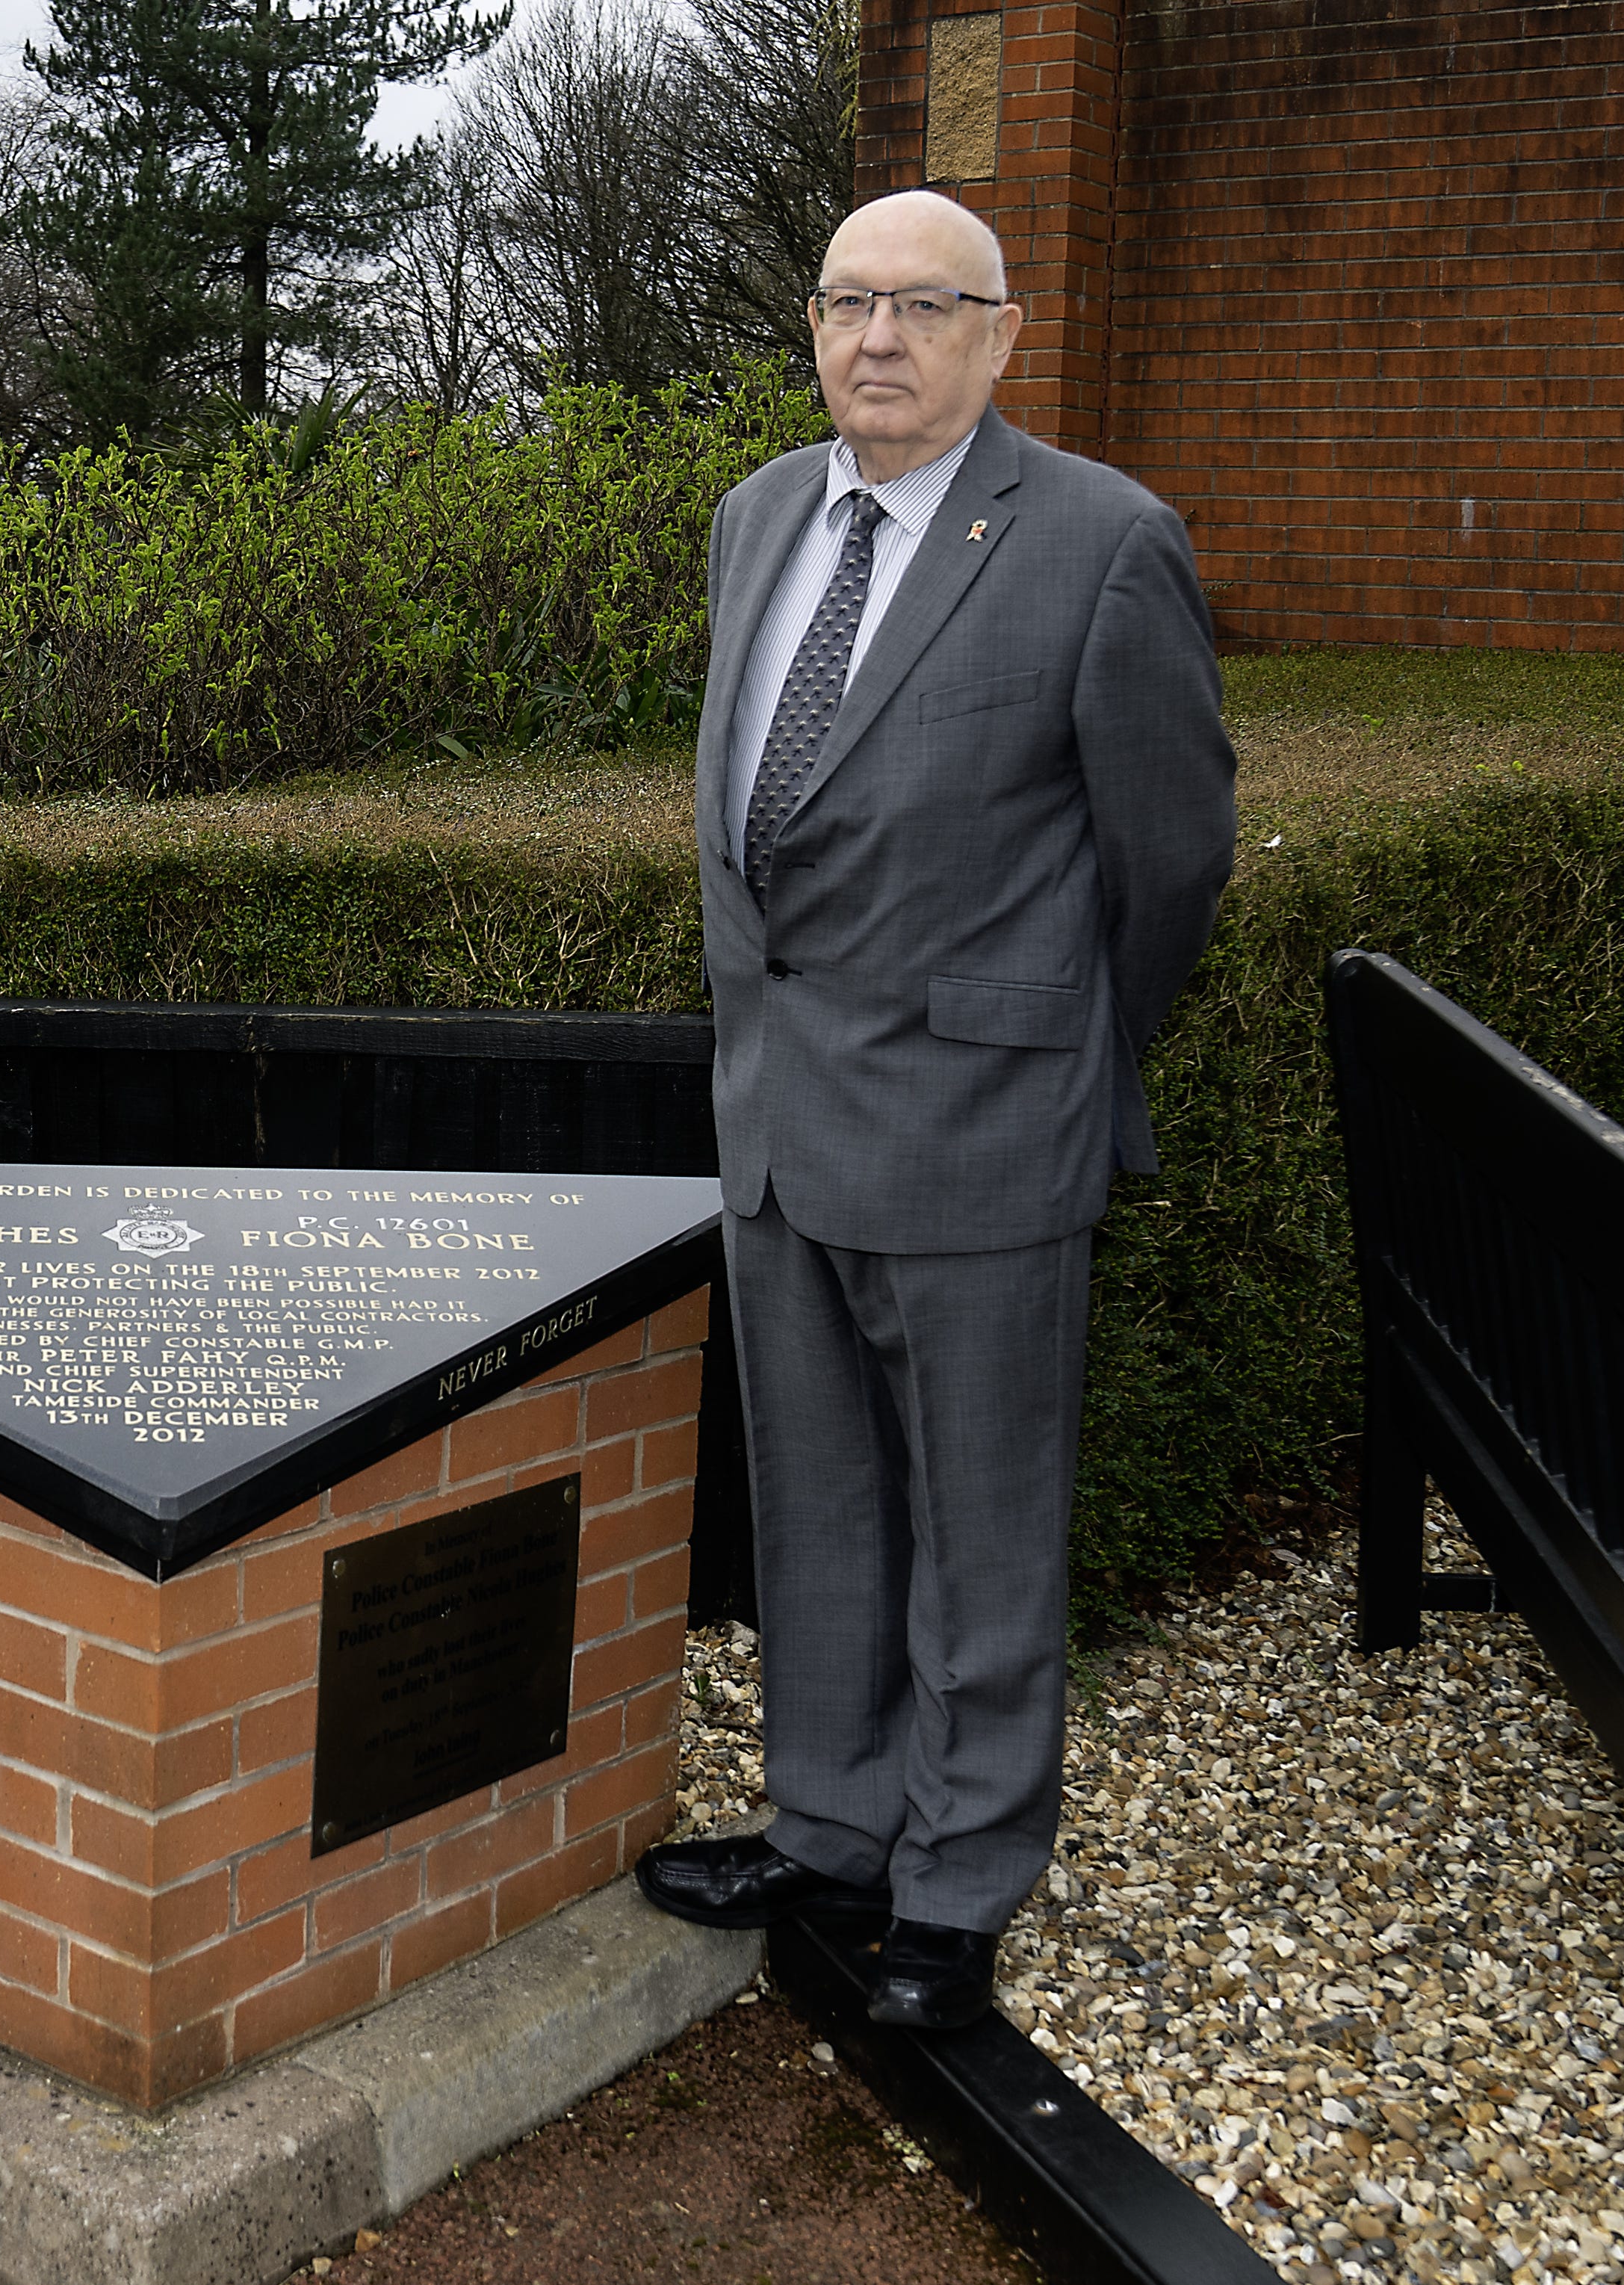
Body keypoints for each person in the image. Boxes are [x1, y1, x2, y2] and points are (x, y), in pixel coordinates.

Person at [634, 189, 1234, 2028]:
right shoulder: (755, 517)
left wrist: (1044, 1048)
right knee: (815, 1509)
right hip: (779, 1122)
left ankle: (959, 1880)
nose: (874, 339)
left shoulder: (1098, 544)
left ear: (999, 335)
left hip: (980, 1129)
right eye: (843, 303)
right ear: (808, 328)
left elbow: (1171, 859)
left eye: (920, 306)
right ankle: (825, 1825)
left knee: (980, 1529)